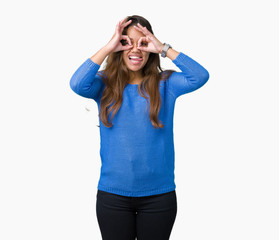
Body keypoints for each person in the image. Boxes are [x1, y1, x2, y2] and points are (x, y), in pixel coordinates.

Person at [69, 15, 209, 240]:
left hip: (158, 197)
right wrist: (108, 47)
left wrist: (163, 48)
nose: (135, 49)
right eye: (127, 42)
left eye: (142, 42)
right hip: (113, 196)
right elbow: (77, 84)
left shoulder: (166, 83)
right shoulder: (104, 84)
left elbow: (199, 76)